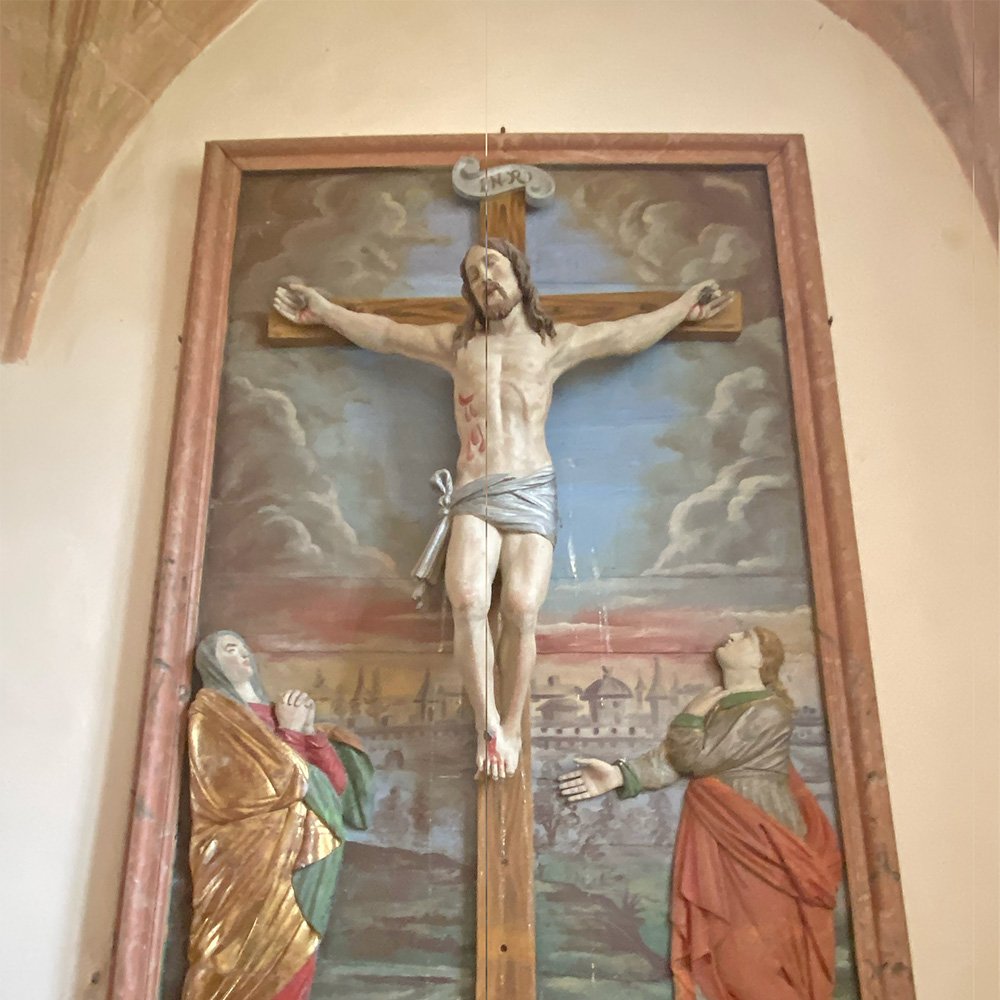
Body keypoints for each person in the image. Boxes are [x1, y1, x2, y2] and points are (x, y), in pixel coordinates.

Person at [273, 240, 731, 779]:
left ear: (519, 275)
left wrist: (683, 308)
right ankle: (487, 723)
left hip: (532, 486)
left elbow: (625, 334)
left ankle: (512, 724)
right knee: (465, 596)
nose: (483, 276)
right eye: (472, 272)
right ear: (468, 291)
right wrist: (323, 310)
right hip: (475, 489)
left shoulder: (551, 343)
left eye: (492, 264)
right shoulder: (457, 345)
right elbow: (386, 334)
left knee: (520, 606)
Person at [557, 627, 842, 1000]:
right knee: (727, 945)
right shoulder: (716, 703)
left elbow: (698, 758)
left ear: (760, 659)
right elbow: (673, 761)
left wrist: (689, 718)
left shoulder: (770, 710)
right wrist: (618, 775)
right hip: (719, 831)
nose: (733, 634)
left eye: (747, 637)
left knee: (757, 947)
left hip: (760, 833)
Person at [182, 630, 374, 1000]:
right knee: (238, 957)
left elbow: (333, 787)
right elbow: (259, 787)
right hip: (246, 861)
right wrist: (289, 731)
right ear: (210, 664)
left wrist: (307, 731)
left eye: (243, 648)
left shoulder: (276, 713)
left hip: (304, 861)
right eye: (228, 649)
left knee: (295, 952)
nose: (241, 655)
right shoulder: (213, 713)